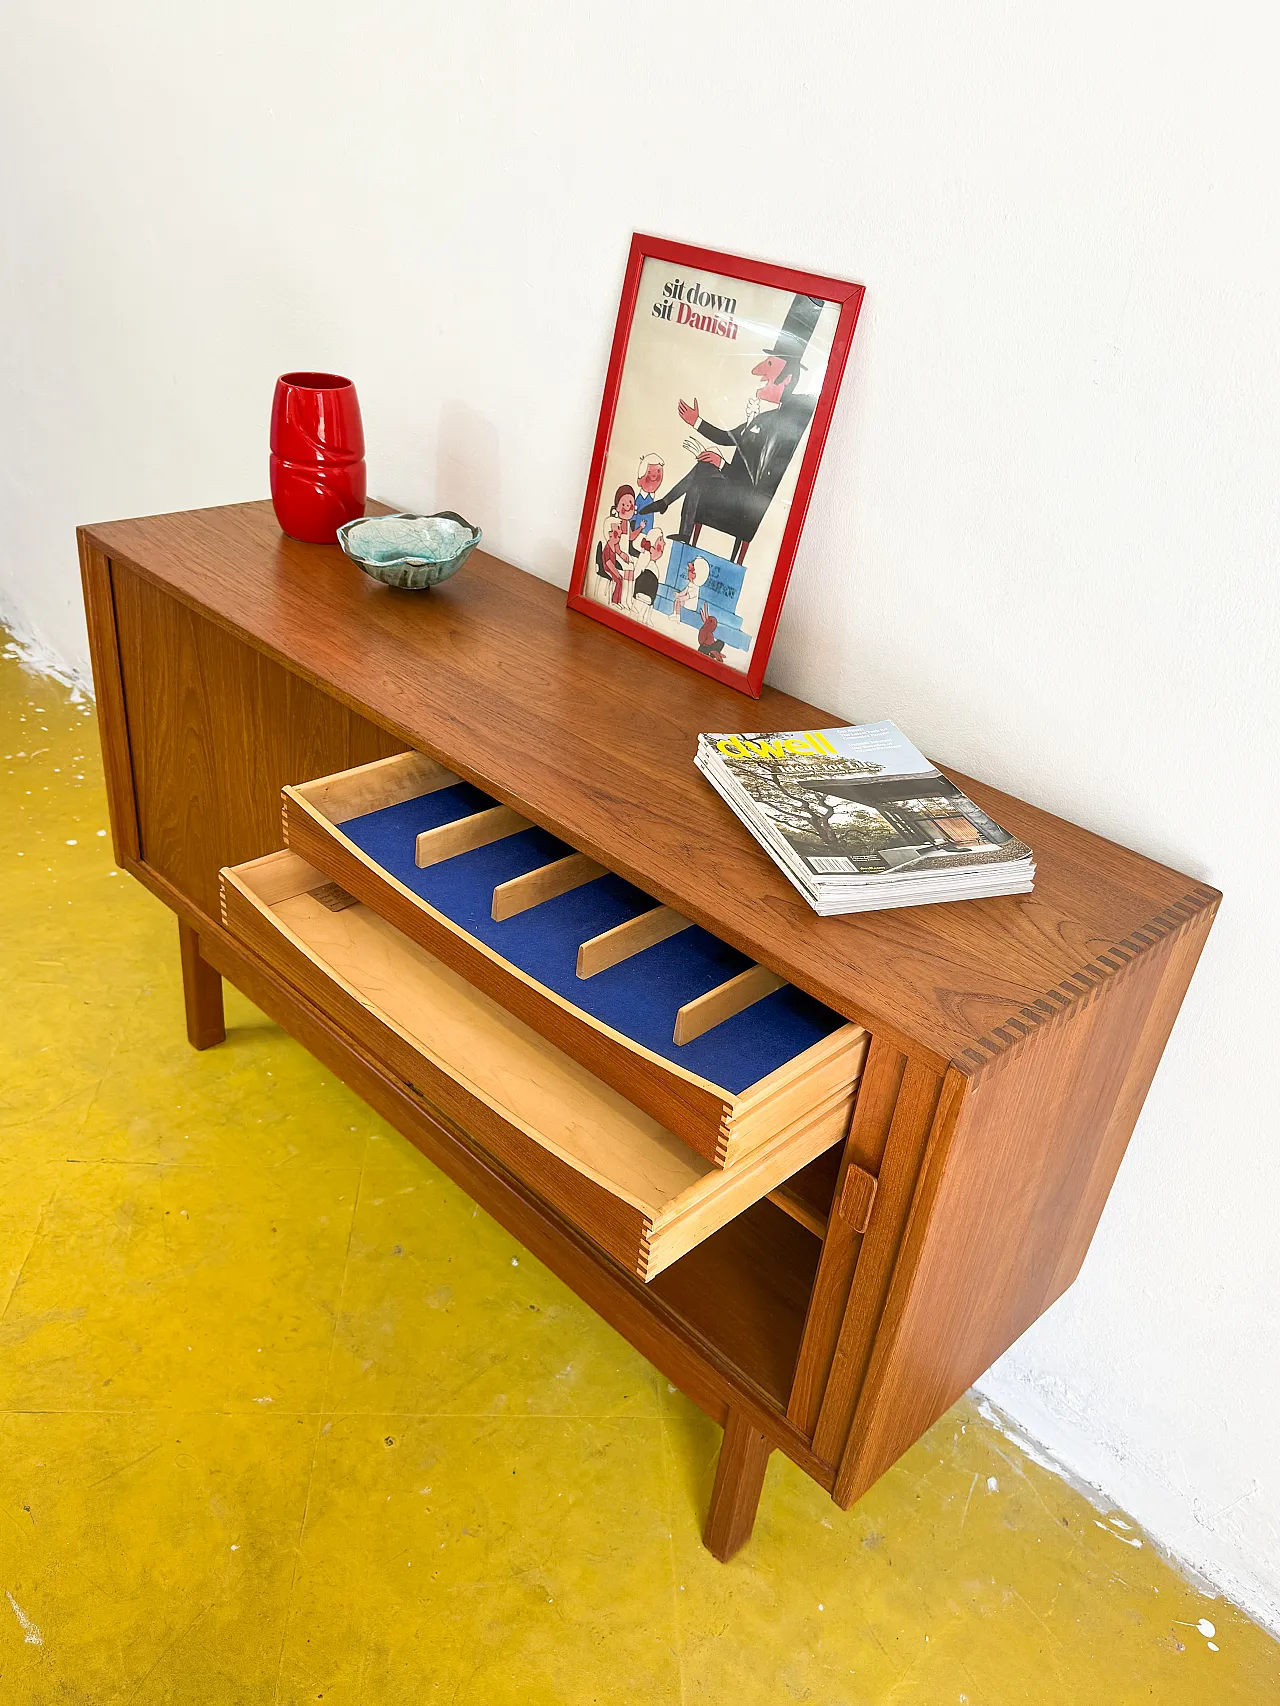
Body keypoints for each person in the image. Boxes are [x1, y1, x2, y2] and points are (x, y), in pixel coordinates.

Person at [636, 295, 823, 556]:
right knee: (703, 466)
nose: (758, 372)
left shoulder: (781, 427)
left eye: (769, 365)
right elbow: (728, 437)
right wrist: (696, 421)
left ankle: (669, 506)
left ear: (787, 379)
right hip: (733, 483)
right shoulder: (765, 417)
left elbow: (757, 479)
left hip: (743, 498)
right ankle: (674, 514)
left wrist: (722, 463)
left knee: (704, 468)